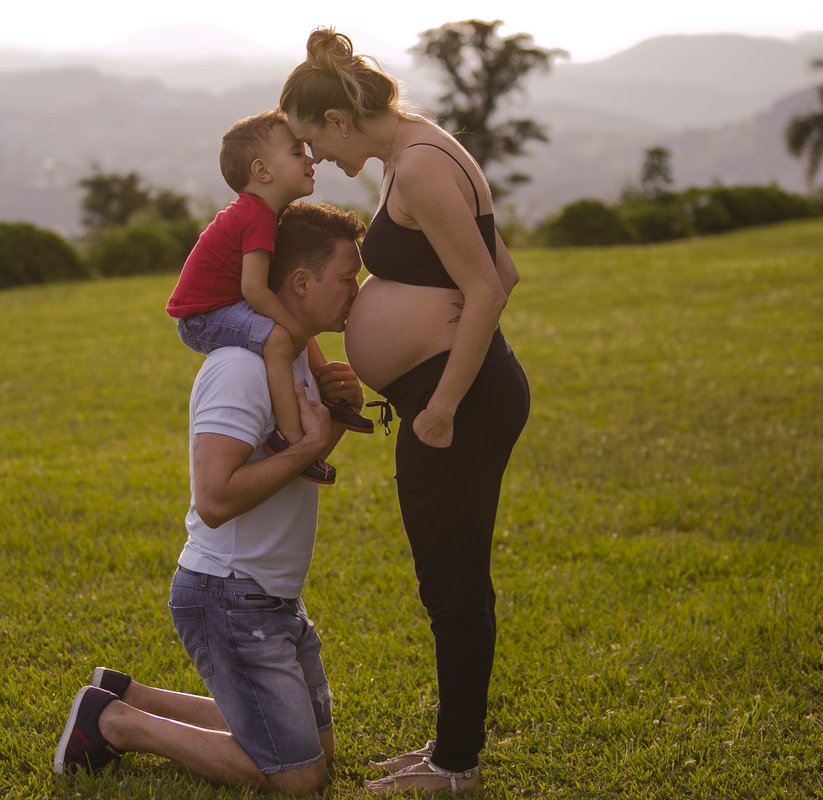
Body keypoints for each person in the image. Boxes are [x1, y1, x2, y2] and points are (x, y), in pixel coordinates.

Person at [280, 27, 531, 794]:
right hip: (443, 391)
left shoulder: (419, 167)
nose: (314, 160)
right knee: (445, 576)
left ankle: (456, 766)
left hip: (456, 401)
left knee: (452, 582)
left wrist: (444, 400)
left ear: (338, 120)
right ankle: (448, 749)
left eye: (309, 142)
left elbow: (488, 286)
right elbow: (505, 267)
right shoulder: (412, 156)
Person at [54, 202, 369, 797]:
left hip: (273, 597)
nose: (358, 290)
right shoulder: (239, 370)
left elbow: (293, 463)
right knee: (301, 778)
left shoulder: (297, 355)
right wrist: (309, 449)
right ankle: (114, 723)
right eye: (348, 277)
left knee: (319, 749)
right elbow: (216, 498)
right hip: (230, 596)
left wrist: (332, 415)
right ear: (301, 283)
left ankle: (128, 694)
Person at [165, 110, 373, 486]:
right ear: (262, 171)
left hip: (221, 305)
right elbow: (254, 290)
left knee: (289, 329)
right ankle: (292, 437)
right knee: (281, 335)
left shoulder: (264, 215)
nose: (310, 158)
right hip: (203, 316)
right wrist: (292, 331)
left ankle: (330, 402)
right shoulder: (257, 216)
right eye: (297, 153)